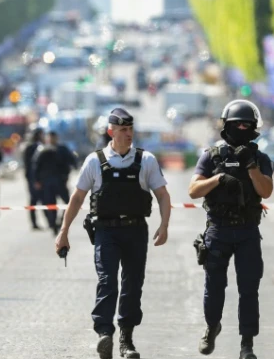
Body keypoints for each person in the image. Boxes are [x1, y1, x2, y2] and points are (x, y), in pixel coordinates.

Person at [54, 108, 171, 359]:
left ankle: (126, 341)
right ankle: (104, 334)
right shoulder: (95, 161)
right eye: (123, 130)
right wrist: (64, 232)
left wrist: (164, 225)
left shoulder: (146, 160)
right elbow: (77, 198)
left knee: (132, 284)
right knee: (107, 281)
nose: (128, 134)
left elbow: (162, 195)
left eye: (130, 129)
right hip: (106, 231)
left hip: (136, 231)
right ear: (111, 132)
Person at [188, 100, 274, 359]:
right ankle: (211, 327)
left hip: (247, 230)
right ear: (227, 126)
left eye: (247, 125)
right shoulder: (212, 156)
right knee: (214, 285)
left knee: (249, 288)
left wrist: (251, 168)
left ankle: (246, 345)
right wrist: (217, 179)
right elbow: (193, 190)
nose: (242, 128)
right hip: (218, 229)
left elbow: (266, 191)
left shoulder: (260, 158)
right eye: (237, 125)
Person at [33, 131, 76, 234]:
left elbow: (72, 160)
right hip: (47, 183)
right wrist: (37, 180)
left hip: (61, 181)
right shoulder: (42, 150)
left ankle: (62, 221)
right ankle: (53, 225)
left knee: (68, 203)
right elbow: (35, 166)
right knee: (50, 205)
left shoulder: (62, 149)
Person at [23, 128, 45, 230]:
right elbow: (28, 165)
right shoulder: (31, 147)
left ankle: (50, 221)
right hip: (33, 179)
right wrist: (33, 180)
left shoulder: (43, 146)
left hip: (43, 178)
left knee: (45, 201)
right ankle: (34, 223)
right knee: (34, 201)